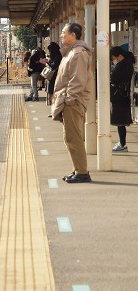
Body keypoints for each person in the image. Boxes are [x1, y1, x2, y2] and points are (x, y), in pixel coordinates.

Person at [52, 23, 93, 183]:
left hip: (73, 102)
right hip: (70, 101)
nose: (61, 36)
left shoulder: (78, 54)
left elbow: (78, 80)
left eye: (63, 33)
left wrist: (69, 99)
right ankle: (78, 169)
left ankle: (82, 172)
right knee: (70, 137)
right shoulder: (71, 53)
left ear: (73, 35)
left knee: (73, 137)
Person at [110, 46, 136, 152]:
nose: (113, 61)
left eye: (113, 58)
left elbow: (114, 78)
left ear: (120, 56)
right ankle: (122, 142)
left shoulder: (123, 65)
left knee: (120, 121)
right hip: (122, 95)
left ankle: (122, 144)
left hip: (120, 96)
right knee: (120, 121)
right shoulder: (127, 63)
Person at [46, 42, 62, 107]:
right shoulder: (57, 55)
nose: (49, 52)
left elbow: (54, 66)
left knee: (53, 92)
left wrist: (47, 62)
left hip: (55, 77)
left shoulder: (58, 56)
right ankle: (53, 110)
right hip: (53, 77)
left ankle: (55, 110)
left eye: (50, 50)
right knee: (51, 92)